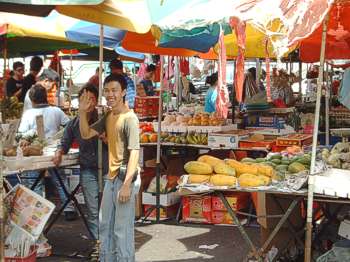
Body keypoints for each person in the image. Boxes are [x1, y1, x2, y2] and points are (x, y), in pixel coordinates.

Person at [79, 74, 141, 262]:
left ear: (123, 92)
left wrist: (127, 184)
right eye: (107, 90)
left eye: (114, 90)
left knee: (122, 230)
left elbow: (135, 153)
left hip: (124, 178)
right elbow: (86, 133)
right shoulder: (108, 115)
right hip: (111, 177)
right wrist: (82, 113)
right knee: (105, 225)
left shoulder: (130, 118)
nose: (110, 94)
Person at [52, 83, 108, 241]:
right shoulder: (74, 123)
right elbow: (64, 142)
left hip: (106, 169)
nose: (89, 103)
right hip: (88, 170)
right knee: (92, 210)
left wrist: (105, 138)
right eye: (85, 99)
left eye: (92, 99)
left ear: (97, 101)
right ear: (79, 102)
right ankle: (98, 244)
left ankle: (108, 244)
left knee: (108, 209)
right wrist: (58, 152)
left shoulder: (104, 118)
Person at [18, 84, 77, 220]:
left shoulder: (28, 114)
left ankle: (37, 213)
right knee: (60, 180)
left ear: (32, 100)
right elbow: (69, 125)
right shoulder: (56, 111)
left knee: (34, 181)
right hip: (54, 152)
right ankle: (69, 208)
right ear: (45, 97)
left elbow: (20, 134)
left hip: (35, 154)